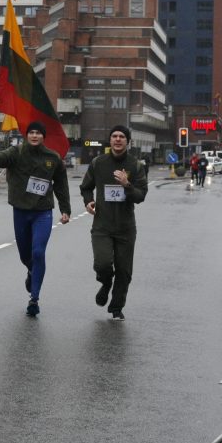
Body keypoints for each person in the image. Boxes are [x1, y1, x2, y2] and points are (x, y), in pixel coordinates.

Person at [0, 121, 71, 317]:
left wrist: (65, 209)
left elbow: (61, 185)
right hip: (21, 211)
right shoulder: (16, 153)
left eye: (38, 133)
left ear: (43, 136)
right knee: (26, 256)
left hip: (42, 212)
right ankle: (32, 272)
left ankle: (34, 298)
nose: (34, 136)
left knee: (38, 251)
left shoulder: (53, 158)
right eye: (31, 132)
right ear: (26, 135)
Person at [78, 126, 148, 321]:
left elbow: (141, 196)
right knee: (102, 263)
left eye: (122, 137)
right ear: (110, 141)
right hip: (102, 225)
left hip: (125, 227)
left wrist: (127, 185)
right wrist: (88, 201)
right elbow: (85, 187)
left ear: (128, 141)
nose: (118, 139)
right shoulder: (98, 163)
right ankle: (105, 282)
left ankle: (116, 307)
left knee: (124, 271)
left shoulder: (135, 165)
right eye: (114, 136)